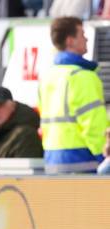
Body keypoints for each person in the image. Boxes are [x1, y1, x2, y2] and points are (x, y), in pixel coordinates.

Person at [38, 17, 106, 174]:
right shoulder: (83, 77)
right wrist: (104, 157)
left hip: (52, 161)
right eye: (82, 34)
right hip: (83, 162)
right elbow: (94, 126)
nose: (86, 38)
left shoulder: (47, 76)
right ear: (70, 41)